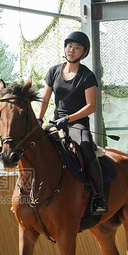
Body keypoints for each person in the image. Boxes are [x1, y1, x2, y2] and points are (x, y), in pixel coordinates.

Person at [37, 31, 108, 215]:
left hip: (77, 123)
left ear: (84, 53)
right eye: (69, 46)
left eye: (77, 48)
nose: (72, 50)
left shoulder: (87, 76)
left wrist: (69, 119)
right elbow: (44, 99)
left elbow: (91, 106)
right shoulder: (53, 71)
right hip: (55, 122)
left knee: (85, 147)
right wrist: (39, 118)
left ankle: (99, 196)